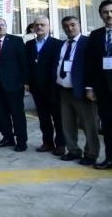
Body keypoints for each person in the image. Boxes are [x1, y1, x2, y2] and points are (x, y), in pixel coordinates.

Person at [0, 18, 29, 152]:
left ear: (6, 26)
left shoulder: (16, 41)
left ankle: (21, 141)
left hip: (13, 84)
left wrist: (25, 81)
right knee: (1, 113)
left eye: (2, 25)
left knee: (17, 114)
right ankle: (8, 138)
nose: (0, 27)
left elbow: (23, 62)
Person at [56, 16, 98, 166]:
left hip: (82, 91)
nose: (70, 28)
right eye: (66, 26)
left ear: (79, 25)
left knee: (89, 124)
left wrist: (90, 87)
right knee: (67, 124)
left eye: (73, 25)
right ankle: (73, 150)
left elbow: (93, 67)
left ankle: (91, 153)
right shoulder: (62, 44)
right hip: (64, 90)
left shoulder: (88, 43)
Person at [24, 16, 65, 156]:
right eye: (37, 25)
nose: (39, 27)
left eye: (42, 24)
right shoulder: (29, 45)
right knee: (43, 116)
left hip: (53, 87)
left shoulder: (57, 44)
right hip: (37, 87)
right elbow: (27, 65)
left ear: (49, 27)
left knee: (58, 117)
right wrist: (27, 81)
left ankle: (60, 144)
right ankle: (47, 142)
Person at [84, 0, 112, 170]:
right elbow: (90, 64)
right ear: (101, 15)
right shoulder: (95, 35)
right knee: (108, 127)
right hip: (103, 89)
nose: (109, 15)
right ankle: (110, 158)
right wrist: (89, 87)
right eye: (105, 12)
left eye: (111, 11)